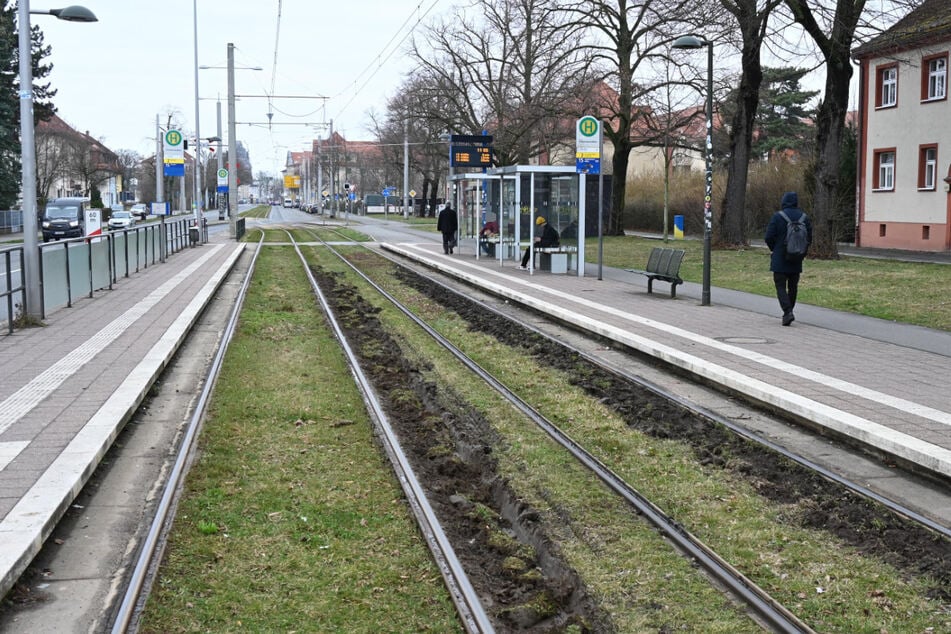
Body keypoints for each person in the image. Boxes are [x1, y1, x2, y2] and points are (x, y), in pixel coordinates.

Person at [765, 191, 812, 326]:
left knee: (780, 286)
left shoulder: (778, 217)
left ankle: (787, 312)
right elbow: (809, 238)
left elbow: (768, 237)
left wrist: (775, 248)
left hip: (780, 257)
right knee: (793, 286)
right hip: (796, 257)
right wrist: (801, 251)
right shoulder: (804, 217)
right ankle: (789, 311)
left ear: (784, 201)